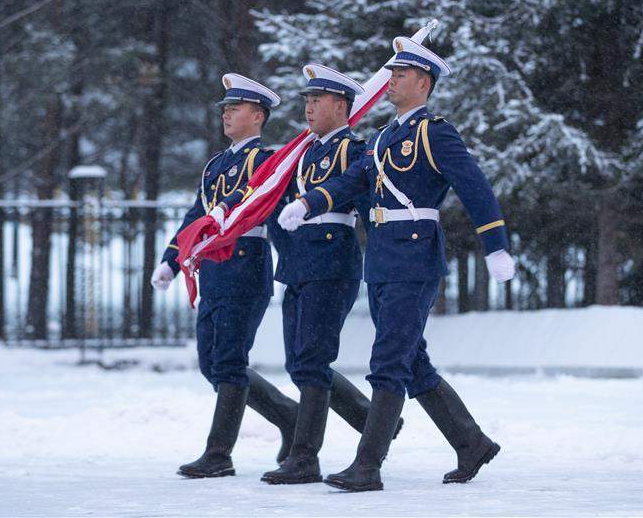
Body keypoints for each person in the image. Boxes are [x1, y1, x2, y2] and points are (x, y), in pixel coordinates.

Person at [278, 38, 516, 491]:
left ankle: (368, 465)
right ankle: (471, 442)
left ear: (423, 83)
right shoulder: (384, 137)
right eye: (390, 74)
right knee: (412, 361)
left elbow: (475, 187)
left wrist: (496, 246)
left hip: (415, 255)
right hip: (384, 260)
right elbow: (352, 181)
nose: (390, 81)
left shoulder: (435, 132)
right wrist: (310, 201)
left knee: (388, 360)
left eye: (400, 75)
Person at [150, 73, 378, 479]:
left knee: (273, 362)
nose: (226, 115)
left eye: (234, 109)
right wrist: (172, 257)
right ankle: (310, 419)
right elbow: (199, 215)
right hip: (221, 268)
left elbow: (276, 211)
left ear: (257, 116)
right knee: (221, 363)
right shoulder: (218, 165)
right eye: (224, 109)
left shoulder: (272, 160)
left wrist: (290, 253)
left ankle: (232, 452)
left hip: (251, 265)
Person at [260, 64, 402, 485]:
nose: (308, 107)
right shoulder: (300, 154)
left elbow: (366, 211)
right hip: (300, 265)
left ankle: (305, 457)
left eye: (317, 100)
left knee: (313, 359)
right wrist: (288, 252)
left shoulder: (353, 153)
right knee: (299, 362)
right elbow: (275, 209)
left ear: (341, 106)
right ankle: (373, 419)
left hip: (331, 263)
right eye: (306, 100)